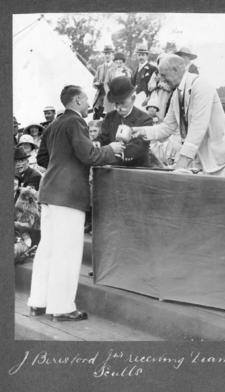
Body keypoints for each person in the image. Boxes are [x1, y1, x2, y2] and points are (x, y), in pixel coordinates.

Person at [27, 85, 125, 321]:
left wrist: (63, 163)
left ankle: (38, 302)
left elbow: (42, 158)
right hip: (68, 195)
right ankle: (61, 307)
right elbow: (89, 156)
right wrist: (112, 149)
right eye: (86, 99)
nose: (89, 102)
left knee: (47, 249)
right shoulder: (76, 122)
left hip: (49, 193)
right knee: (67, 251)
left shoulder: (54, 125)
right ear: (78, 100)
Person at [132, 54, 225, 176]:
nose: (161, 80)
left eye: (164, 75)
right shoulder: (177, 94)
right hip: (200, 161)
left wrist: (181, 164)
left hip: (220, 161)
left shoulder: (201, 86)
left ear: (175, 70)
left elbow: (198, 129)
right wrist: (140, 131)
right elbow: (167, 127)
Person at [96, 76, 155, 167]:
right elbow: (103, 138)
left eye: (122, 102)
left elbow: (139, 146)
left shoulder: (145, 119)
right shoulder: (109, 117)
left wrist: (117, 153)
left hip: (137, 170)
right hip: (113, 170)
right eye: (116, 103)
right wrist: (96, 143)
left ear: (133, 99)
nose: (119, 107)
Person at [92, 45, 114, 119]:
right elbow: (94, 82)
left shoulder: (115, 67)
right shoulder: (100, 68)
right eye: (105, 53)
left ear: (112, 54)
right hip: (99, 96)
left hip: (110, 96)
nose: (107, 55)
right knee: (96, 118)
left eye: (109, 53)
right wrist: (97, 84)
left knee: (108, 118)